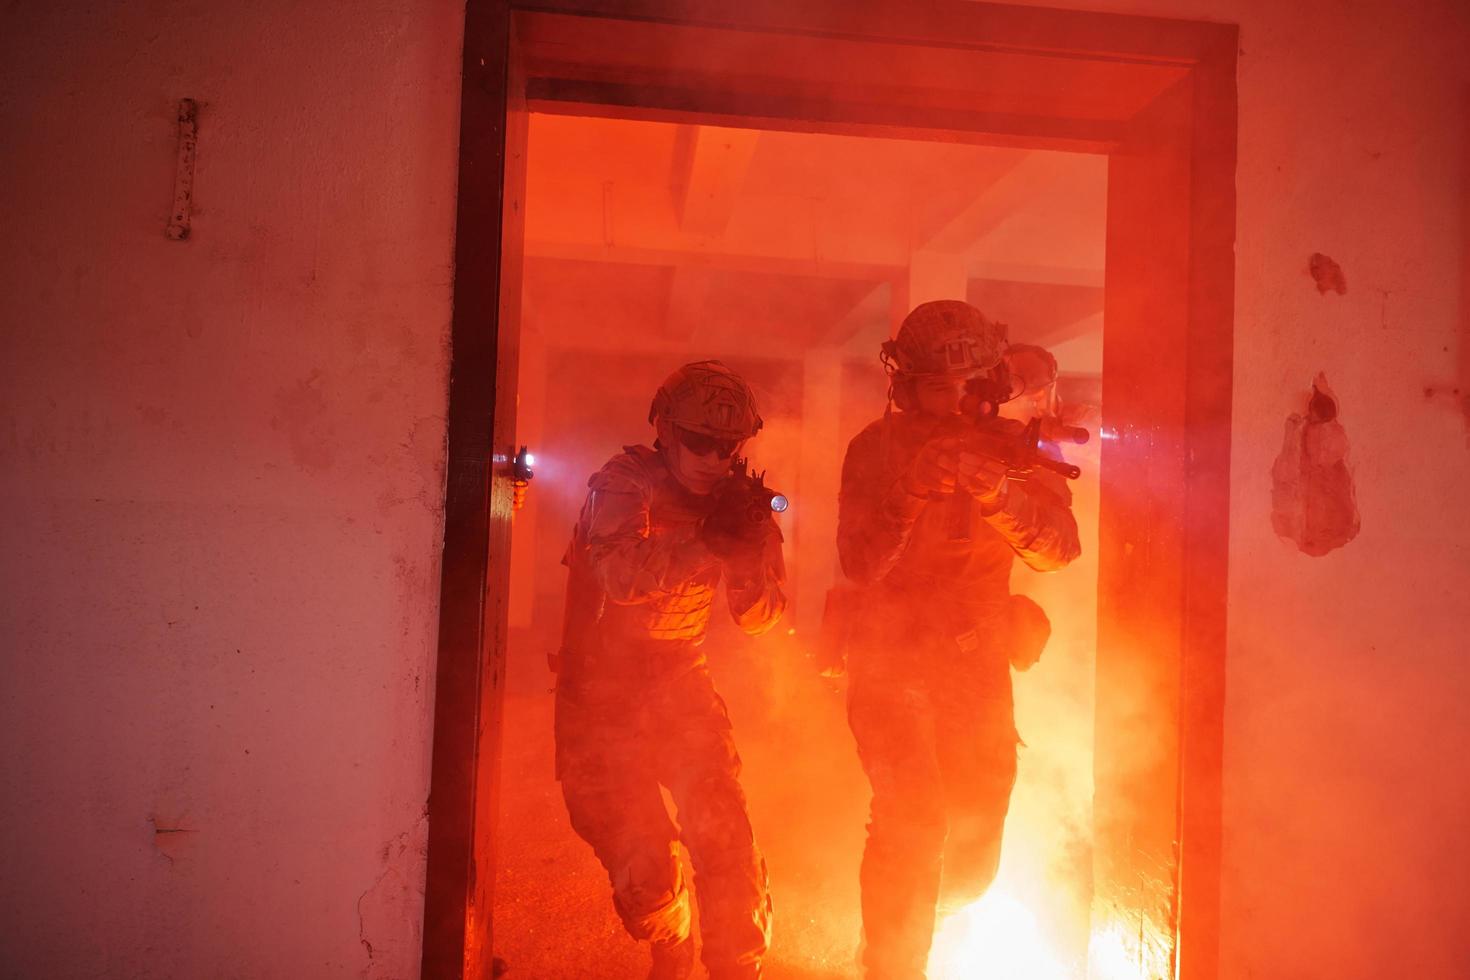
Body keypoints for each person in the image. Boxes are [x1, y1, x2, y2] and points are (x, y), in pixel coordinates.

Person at [835, 301, 1081, 979]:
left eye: (968, 385)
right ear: (906, 387)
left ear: (992, 382)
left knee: (972, 863)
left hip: (974, 667)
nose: (952, 401)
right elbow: (859, 565)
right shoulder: (874, 451)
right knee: (912, 822)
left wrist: (1002, 496)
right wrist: (909, 495)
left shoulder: (1019, 448)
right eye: (935, 387)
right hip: (890, 662)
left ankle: (914, 921)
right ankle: (891, 963)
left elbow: (1059, 552)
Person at [554, 359, 787, 980]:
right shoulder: (625, 482)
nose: (715, 458)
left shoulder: (741, 501)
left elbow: (762, 618)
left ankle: (737, 969)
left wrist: (746, 553)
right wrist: (709, 542)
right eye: (699, 442)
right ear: (666, 431)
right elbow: (621, 576)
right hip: (600, 690)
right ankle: (672, 950)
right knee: (647, 879)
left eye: (728, 446)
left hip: (680, 677)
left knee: (726, 838)